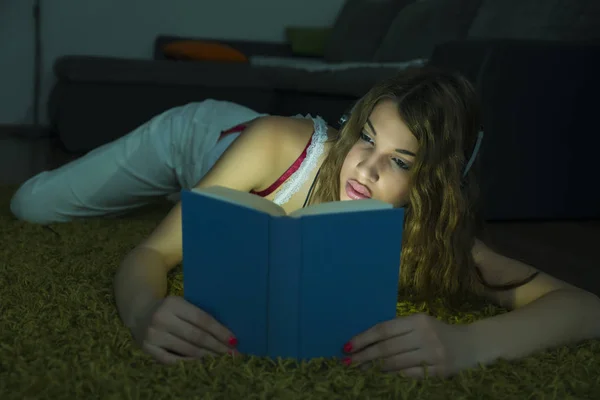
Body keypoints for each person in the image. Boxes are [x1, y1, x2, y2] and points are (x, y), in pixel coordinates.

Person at [10, 66, 600, 379]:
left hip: (236, 161)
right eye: (365, 139)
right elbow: (152, 256)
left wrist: (471, 344)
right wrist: (142, 311)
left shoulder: (428, 241)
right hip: (198, 140)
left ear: (433, 185)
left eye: (399, 161)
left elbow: (583, 306)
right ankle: (173, 183)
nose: (364, 167)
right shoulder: (276, 143)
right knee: (31, 206)